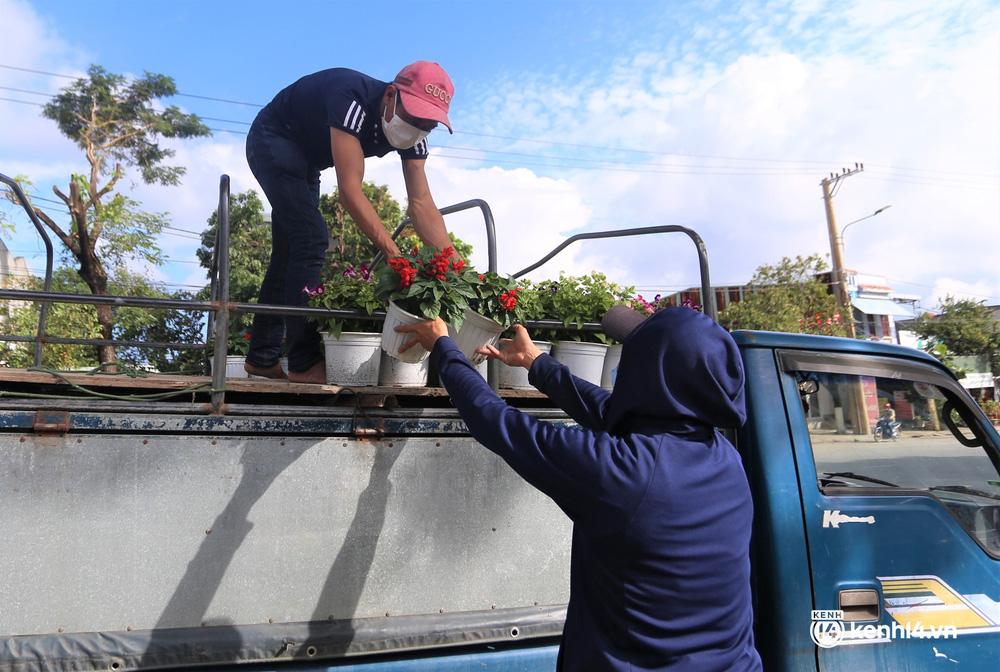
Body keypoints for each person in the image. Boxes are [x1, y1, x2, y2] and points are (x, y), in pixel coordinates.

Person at [394, 306, 762, 671]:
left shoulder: (623, 473)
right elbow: (613, 412)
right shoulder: (724, 457)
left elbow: (497, 422)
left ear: (649, 373)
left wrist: (444, 347)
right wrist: (536, 363)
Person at [243, 62, 456, 383]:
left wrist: (456, 268)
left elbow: (422, 205)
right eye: (413, 116)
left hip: (309, 160)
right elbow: (350, 191)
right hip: (273, 136)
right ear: (390, 95)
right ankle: (303, 364)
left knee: (290, 250)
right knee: (311, 238)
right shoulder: (351, 97)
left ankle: (261, 357)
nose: (417, 127)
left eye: (428, 123)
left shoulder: (416, 136)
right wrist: (395, 256)